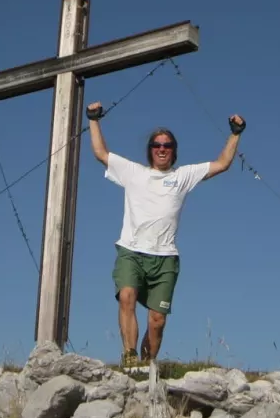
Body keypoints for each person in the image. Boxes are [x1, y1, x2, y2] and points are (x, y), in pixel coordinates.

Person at [86, 101, 245, 369]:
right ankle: (129, 356)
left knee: (157, 320)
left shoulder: (183, 176)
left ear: (174, 151)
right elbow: (101, 152)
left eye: (167, 145)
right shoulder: (134, 172)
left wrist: (235, 133)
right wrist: (93, 118)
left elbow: (222, 163)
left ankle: (147, 367)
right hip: (131, 251)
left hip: (165, 258)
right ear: (149, 150)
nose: (162, 149)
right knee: (127, 297)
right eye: (157, 145)